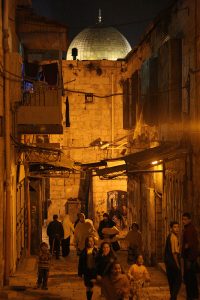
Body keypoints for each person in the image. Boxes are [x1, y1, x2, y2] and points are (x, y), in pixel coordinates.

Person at [182, 212, 199, 300]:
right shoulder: (191, 228)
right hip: (192, 257)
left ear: (189, 220)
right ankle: (195, 295)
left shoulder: (189, 229)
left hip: (189, 258)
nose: (183, 221)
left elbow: (190, 244)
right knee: (192, 278)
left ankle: (190, 296)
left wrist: (185, 248)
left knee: (189, 279)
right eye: (183, 219)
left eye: (185, 219)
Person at [164, 221, 182, 300]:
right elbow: (174, 253)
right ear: (171, 228)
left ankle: (173, 296)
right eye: (175, 227)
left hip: (168, 263)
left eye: (178, 227)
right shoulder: (174, 237)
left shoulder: (169, 236)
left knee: (171, 281)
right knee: (178, 280)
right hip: (173, 262)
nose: (177, 229)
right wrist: (178, 264)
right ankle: (173, 297)